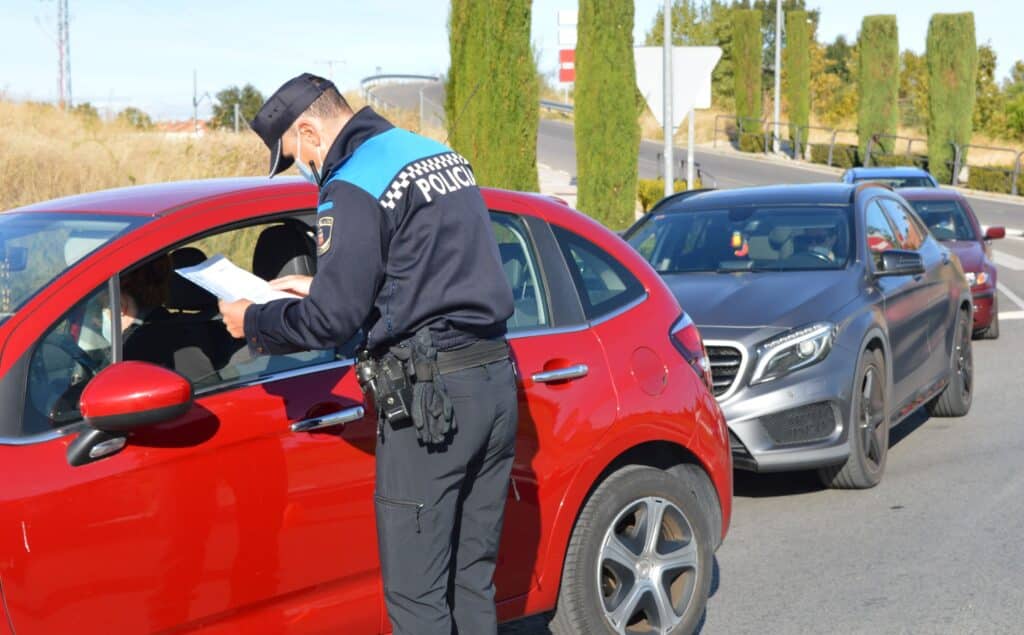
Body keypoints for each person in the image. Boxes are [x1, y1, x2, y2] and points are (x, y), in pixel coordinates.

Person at [218, 73, 518, 635]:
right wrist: (318, 285)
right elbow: (424, 269)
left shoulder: (352, 183)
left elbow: (332, 322)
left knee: (417, 598)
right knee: (472, 580)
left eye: (296, 156)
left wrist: (252, 320)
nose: (306, 168)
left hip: (433, 404)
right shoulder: (435, 154)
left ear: (309, 130)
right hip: (495, 380)